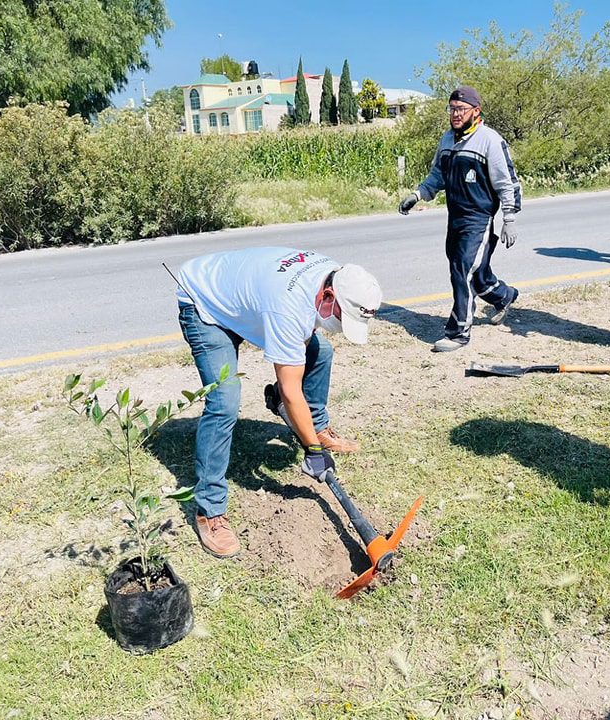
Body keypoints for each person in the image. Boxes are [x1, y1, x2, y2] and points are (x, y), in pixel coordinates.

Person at [174, 247, 382, 558]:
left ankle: (316, 425)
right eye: (343, 318)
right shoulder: (288, 307)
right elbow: (290, 387)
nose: (341, 326)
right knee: (224, 401)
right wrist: (313, 451)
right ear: (328, 296)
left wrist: (309, 434)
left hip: (243, 295)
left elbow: (303, 335)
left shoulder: (335, 274)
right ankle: (210, 510)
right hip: (204, 302)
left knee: (321, 352)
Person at [398, 85, 522, 352]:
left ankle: (458, 332)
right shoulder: (447, 139)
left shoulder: (490, 140)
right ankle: (504, 296)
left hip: (479, 219)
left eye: (460, 109)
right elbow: (437, 176)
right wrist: (417, 194)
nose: (455, 114)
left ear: (475, 111)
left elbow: (507, 182)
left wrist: (509, 217)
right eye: (452, 109)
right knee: (475, 276)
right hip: (455, 217)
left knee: (462, 271)